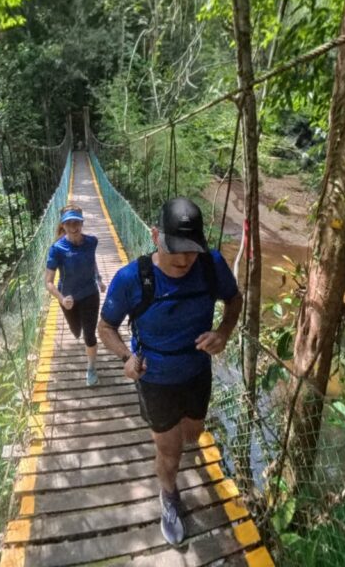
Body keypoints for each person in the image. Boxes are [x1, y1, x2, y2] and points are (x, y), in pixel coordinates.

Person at [98, 197, 242, 545]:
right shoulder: (132, 278)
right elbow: (105, 328)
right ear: (155, 236)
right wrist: (125, 359)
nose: (183, 259)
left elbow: (234, 300)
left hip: (196, 372)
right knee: (170, 450)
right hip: (155, 378)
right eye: (176, 249)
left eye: (192, 250)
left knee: (192, 434)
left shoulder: (211, 265)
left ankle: (169, 441)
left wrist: (222, 332)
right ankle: (168, 495)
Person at [45, 204, 106, 386]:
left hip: (90, 294)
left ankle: (91, 368)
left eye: (76, 222)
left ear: (82, 223)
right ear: (63, 226)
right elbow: (48, 282)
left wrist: (99, 278)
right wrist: (62, 299)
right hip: (69, 299)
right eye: (69, 223)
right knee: (76, 331)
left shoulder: (91, 242)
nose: (73, 227)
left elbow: (91, 261)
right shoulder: (57, 249)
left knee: (89, 334)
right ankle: (77, 330)